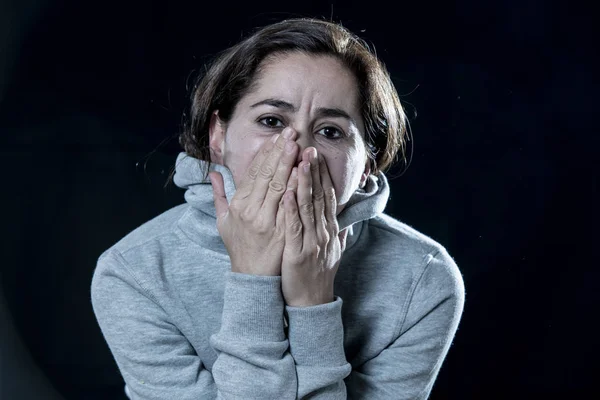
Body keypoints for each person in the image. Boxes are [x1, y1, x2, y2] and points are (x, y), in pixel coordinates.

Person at [91, 17, 465, 400]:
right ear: (218, 136)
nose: (298, 152)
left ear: (368, 163)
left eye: (330, 131)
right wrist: (254, 281)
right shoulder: (133, 274)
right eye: (271, 121)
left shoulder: (424, 280)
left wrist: (312, 304)